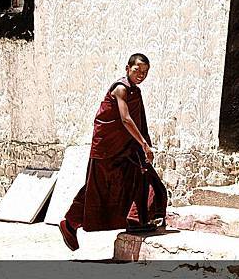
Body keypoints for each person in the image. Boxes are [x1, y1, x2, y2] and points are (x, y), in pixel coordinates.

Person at [59, 53, 167, 251]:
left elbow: (138, 120)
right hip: (107, 148)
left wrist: (140, 144)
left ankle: (137, 220)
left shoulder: (136, 92)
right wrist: (144, 144)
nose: (141, 75)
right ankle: (70, 223)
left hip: (126, 147)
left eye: (145, 72)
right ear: (127, 68)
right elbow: (125, 119)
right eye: (137, 71)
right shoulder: (120, 88)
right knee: (97, 190)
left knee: (139, 176)